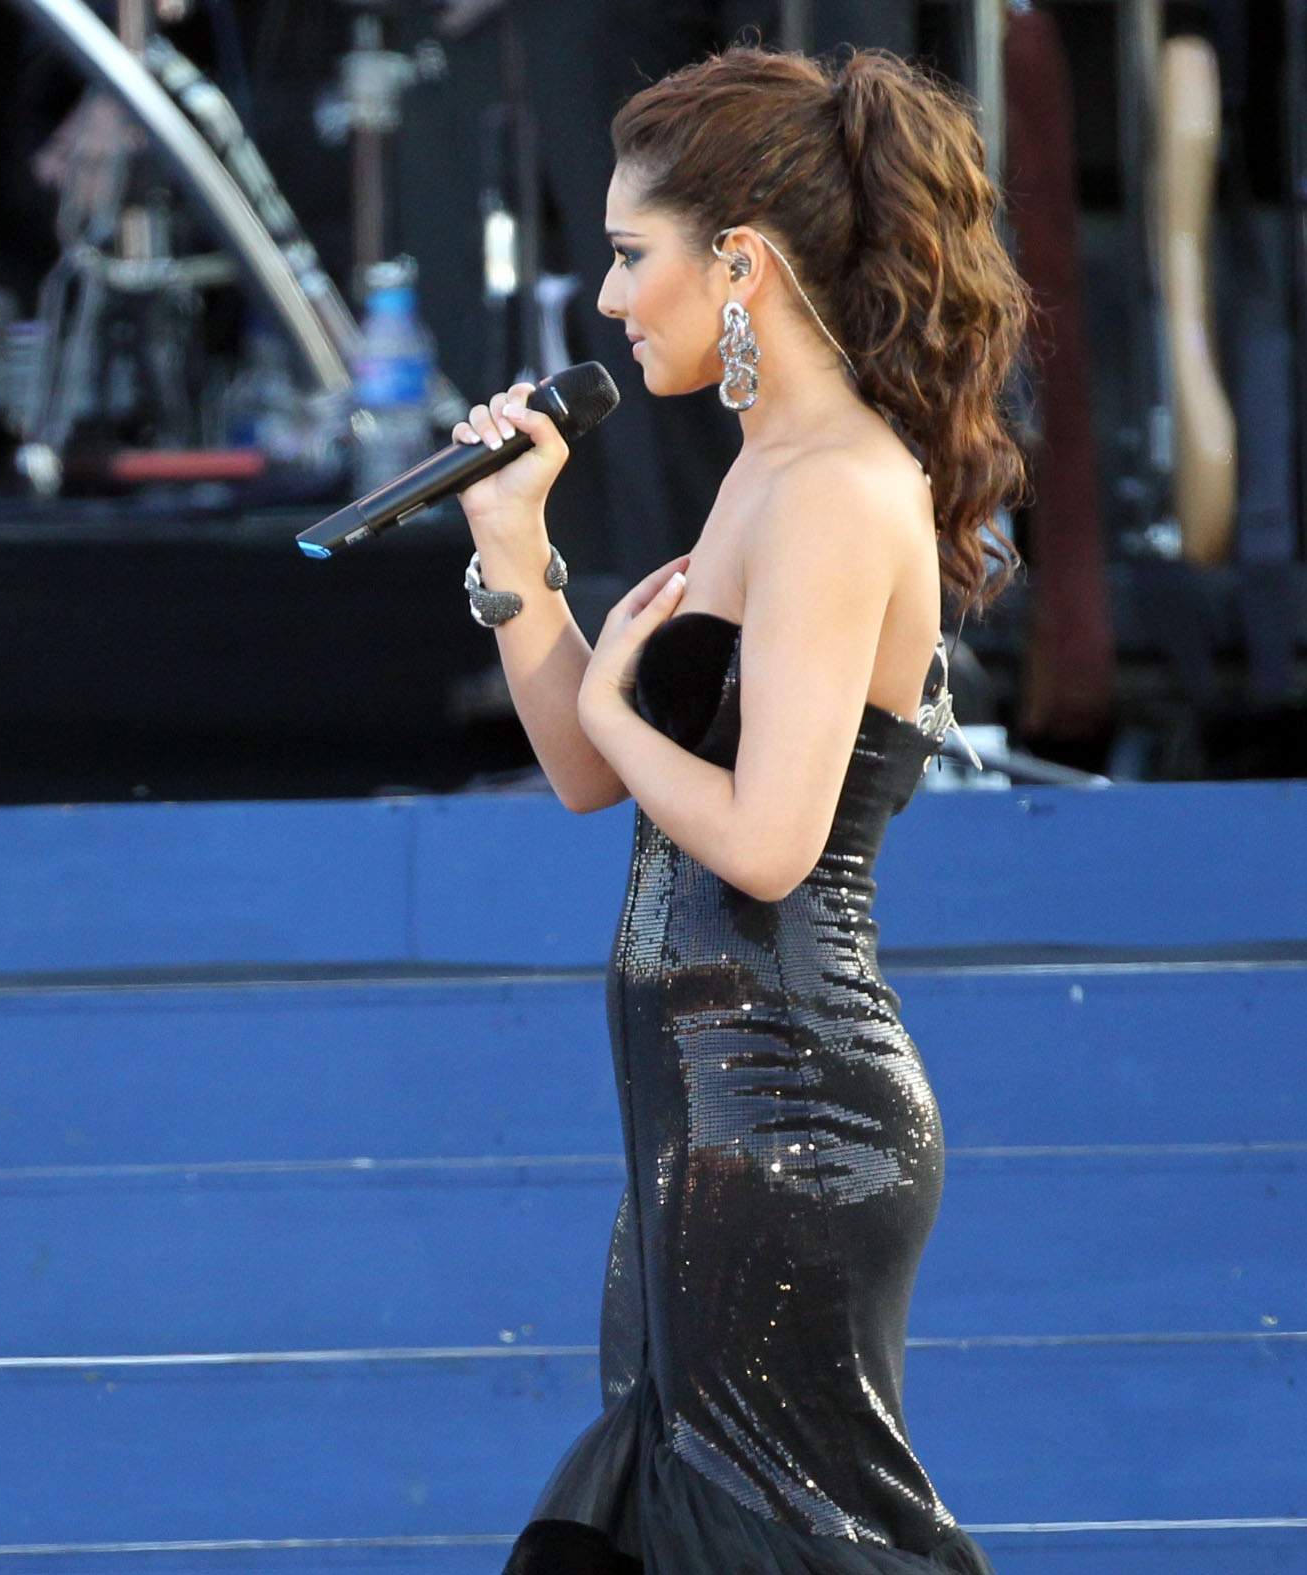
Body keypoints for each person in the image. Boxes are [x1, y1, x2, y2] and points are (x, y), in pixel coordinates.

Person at [446, 47, 1023, 1574]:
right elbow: (592, 773)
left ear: (740, 264)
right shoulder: (767, 469)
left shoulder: (835, 486)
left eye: (633, 256)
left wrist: (621, 711)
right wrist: (517, 553)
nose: (607, 300)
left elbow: (764, 839)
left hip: (790, 1117)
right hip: (709, 1122)